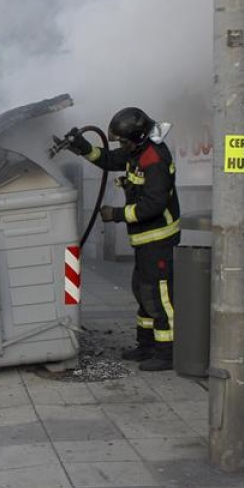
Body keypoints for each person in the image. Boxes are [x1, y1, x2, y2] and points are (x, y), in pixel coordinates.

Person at [57, 107, 180, 371]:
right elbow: (110, 159)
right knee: (142, 291)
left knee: (160, 297)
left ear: (137, 136)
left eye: (124, 141)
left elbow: (154, 205)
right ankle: (146, 346)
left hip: (159, 240)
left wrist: (117, 214)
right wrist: (81, 146)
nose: (122, 145)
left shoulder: (154, 159)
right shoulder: (138, 150)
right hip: (145, 240)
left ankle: (167, 353)